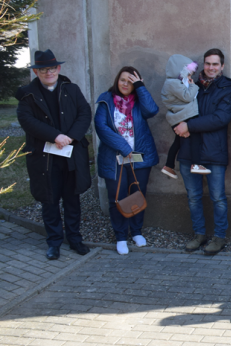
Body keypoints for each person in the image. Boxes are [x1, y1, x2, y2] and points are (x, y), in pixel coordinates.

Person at [15, 49, 92, 260]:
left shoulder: (71, 89)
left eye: (51, 68)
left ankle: (75, 239)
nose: (48, 73)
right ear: (36, 72)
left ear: (58, 68)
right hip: (44, 158)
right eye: (43, 69)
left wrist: (71, 137)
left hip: (71, 154)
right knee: (50, 201)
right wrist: (55, 136)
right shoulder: (27, 95)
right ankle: (54, 242)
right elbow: (27, 121)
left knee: (72, 199)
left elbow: (84, 113)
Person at [176, 48, 231, 256]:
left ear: (222, 66)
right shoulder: (190, 85)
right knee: (193, 196)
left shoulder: (228, 90)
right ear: (203, 64)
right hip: (188, 149)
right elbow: (175, 107)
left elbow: (220, 119)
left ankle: (219, 237)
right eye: (208, 63)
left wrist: (189, 126)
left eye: (215, 64)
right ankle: (199, 234)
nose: (211, 68)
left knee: (218, 197)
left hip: (213, 152)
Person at [94, 66, 160, 255]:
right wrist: (123, 148)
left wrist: (140, 86)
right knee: (117, 197)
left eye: (131, 81)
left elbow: (152, 110)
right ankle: (121, 236)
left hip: (139, 158)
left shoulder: (140, 102)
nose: (126, 84)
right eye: (123, 79)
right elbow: (101, 127)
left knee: (137, 194)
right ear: (117, 80)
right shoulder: (106, 101)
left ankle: (136, 231)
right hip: (114, 158)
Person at [160, 54, 209, 178]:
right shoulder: (173, 83)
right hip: (184, 116)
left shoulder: (173, 83)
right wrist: (194, 85)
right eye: (188, 74)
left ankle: (169, 166)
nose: (189, 77)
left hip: (181, 116)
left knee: (178, 141)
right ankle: (196, 164)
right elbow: (187, 97)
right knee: (195, 138)